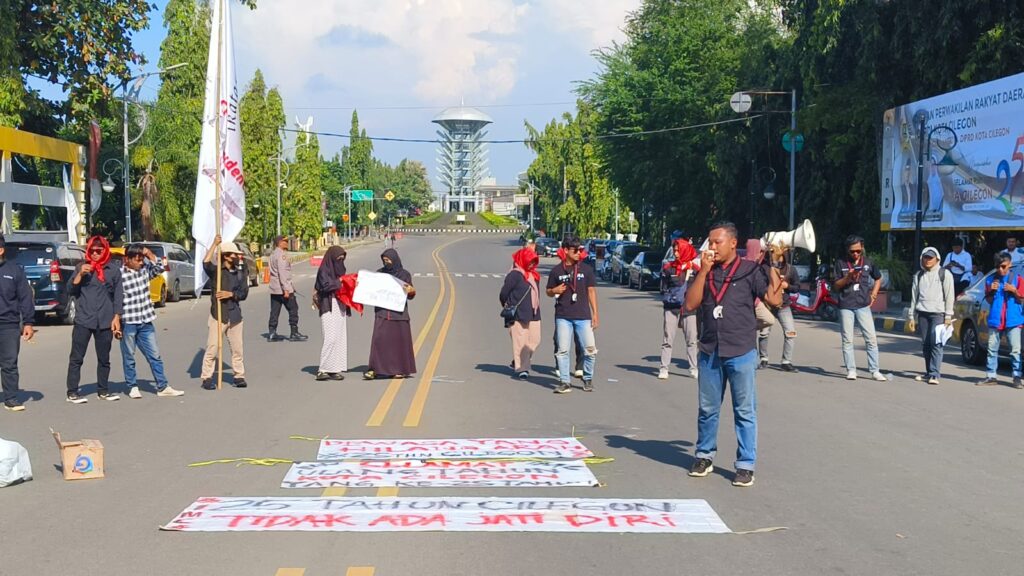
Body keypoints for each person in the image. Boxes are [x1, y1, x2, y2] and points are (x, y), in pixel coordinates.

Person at [684, 221, 782, 487]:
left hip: (740, 350)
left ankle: (745, 465)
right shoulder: (705, 270)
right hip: (710, 350)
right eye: (710, 242)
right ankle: (704, 455)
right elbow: (690, 304)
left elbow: (774, 300)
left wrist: (774, 263)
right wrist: (703, 271)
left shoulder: (750, 271)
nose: (711, 247)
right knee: (707, 409)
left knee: (745, 411)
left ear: (732, 244)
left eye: (717, 242)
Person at [119, 244, 185, 398]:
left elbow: (161, 267)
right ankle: (132, 386)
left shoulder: (144, 271)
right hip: (128, 321)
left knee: (155, 355)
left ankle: (163, 386)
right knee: (129, 356)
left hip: (145, 321)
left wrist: (148, 253)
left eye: (142, 259)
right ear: (127, 260)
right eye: (137, 260)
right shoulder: (119, 275)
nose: (141, 262)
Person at [66, 236, 123, 403]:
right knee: (76, 357)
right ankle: (72, 392)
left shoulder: (113, 270)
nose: (96, 254)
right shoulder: (81, 268)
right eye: (92, 251)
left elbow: (118, 296)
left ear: (105, 251)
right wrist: (80, 275)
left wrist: (117, 317)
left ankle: (103, 390)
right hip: (84, 319)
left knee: (104, 358)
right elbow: (70, 290)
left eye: (99, 251)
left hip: (105, 320)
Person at [546, 235, 599, 394]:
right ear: (566, 251)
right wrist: (554, 291)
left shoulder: (586, 269)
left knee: (590, 349)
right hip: (563, 316)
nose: (578, 253)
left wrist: (595, 313)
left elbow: (591, 291)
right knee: (562, 350)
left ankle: (588, 378)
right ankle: (565, 381)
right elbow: (548, 291)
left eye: (580, 250)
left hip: (583, 316)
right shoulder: (556, 271)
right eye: (575, 250)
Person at [832, 235, 887, 381]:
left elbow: (878, 277)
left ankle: (875, 370)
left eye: (858, 250)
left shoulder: (868, 262)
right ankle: (851, 370)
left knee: (871, 338)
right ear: (847, 251)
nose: (855, 254)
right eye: (852, 251)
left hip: (863, 305)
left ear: (862, 248)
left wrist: (874, 294)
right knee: (847, 339)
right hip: (846, 305)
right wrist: (848, 277)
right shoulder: (840, 263)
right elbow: (836, 286)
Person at [200, 236, 250, 390]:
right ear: (227, 256)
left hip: (235, 316)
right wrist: (215, 244)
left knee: (237, 349)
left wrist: (230, 294)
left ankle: (239, 376)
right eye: (234, 254)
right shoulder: (217, 272)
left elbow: (244, 293)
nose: (237, 257)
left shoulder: (241, 272)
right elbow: (205, 262)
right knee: (213, 348)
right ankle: (207, 377)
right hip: (218, 315)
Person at [364, 249, 417, 379]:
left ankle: (399, 369)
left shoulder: (405, 275)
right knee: (380, 340)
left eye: (388, 260)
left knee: (398, 343)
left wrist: (410, 290)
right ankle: (375, 369)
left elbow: (411, 295)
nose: (386, 262)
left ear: (395, 260)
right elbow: (372, 290)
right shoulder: (380, 273)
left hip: (399, 314)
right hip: (382, 313)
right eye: (384, 260)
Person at [907, 247, 955, 385]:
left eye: (930, 258)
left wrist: (948, 316)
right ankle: (929, 372)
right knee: (926, 344)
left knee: (936, 343)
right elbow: (914, 297)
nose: (927, 260)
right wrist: (911, 316)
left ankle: (935, 374)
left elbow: (949, 296)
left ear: (937, 259)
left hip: (938, 314)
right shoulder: (918, 275)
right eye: (925, 257)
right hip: (922, 313)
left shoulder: (945, 274)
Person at [977, 252, 1024, 388]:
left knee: (1015, 350)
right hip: (995, 320)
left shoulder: (1018, 279)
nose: (1001, 269)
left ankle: (1016, 376)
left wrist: (1014, 291)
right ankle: (991, 376)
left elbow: (1021, 300)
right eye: (998, 267)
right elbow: (989, 300)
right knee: (992, 349)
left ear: (1009, 264)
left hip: (1013, 320)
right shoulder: (990, 280)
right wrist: (991, 291)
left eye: (1003, 266)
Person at [0, 234, 35, 412]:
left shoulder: (14, 270)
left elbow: (25, 297)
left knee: (9, 364)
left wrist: (28, 323)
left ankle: (11, 399)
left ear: (1, 250)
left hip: (8, 325)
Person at [659, 237, 699, 380]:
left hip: (689, 309)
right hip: (671, 307)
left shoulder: (695, 270)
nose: (676, 253)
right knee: (667, 339)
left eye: (678, 250)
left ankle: (693, 368)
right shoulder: (668, 268)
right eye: (675, 250)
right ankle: (664, 368)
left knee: (692, 340)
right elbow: (663, 288)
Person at [757, 246, 801, 372]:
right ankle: (763, 358)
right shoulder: (764, 268)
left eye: (776, 252)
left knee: (790, 333)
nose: (773, 255)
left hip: (784, 306)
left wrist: (788, 286)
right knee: (764, 333)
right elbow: (759, 285)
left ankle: (786, 361)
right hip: (768, 305)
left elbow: (797, 287)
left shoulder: (790, 269)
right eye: (771, 253)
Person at [500, 248, 542, 379]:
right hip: (518, 314)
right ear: (523, 260)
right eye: (530, 261)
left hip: (534, 313)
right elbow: (503, 294)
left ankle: (518, 359)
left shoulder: (534, 275)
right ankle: (522, 369)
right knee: (520, 342)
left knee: (535, 340)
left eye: (534, 262)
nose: (531, 264)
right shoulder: (514, 275)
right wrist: (508, 306)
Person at [313, 245, 350, 381]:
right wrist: (339, 282)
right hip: (328, 305)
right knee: (330, 337)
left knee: (340, 337)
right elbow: (325, 286)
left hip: (340, 305)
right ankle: (323, 369)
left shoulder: (341, 269)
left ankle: (334, 368)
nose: (340, 261)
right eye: (338, 258)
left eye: (342, 259)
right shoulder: (324, 270)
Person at [267, 235, 307, 343]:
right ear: (280, 242)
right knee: (293, 309)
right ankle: (294, 332)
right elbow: (283, 273)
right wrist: (286, 289)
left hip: (274, 288)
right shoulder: (282, 255)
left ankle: (272, 332)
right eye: (285, 241)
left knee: (275, 311)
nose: (286, 243)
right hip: (283, 289)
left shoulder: (273, 254)